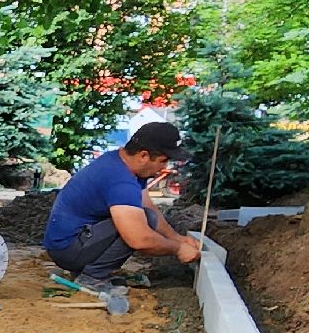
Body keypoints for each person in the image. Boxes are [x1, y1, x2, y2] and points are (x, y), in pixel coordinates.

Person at [41, 121, 201, 292]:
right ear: (144, 156)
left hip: (74, 242)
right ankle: (93, 277)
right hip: (67, 250)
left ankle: (91, 270)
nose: (165, 167)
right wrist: (178, 249)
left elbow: (148, 207)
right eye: (163, 161)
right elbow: (140, 239)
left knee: (148, 217)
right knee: (140, 224)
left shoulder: (123, 165)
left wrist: (177, 238)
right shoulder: (119, 179)